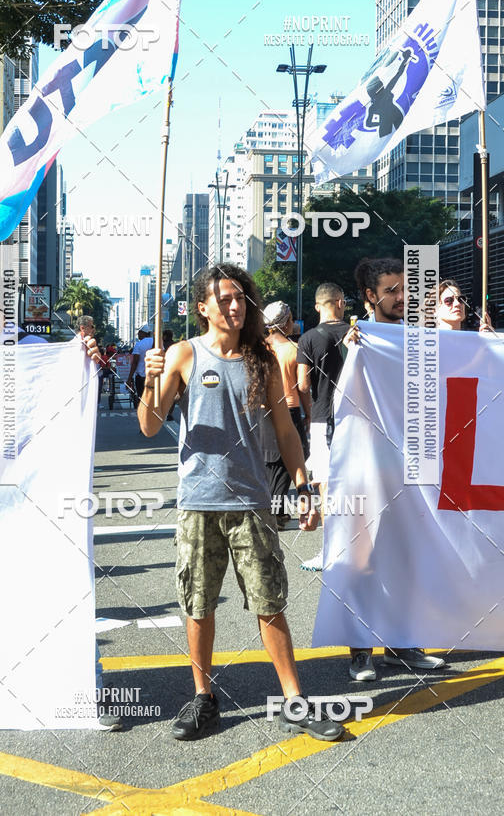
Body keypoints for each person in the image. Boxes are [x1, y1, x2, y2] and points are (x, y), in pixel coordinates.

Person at [137, 263, 344, 744]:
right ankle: (202, 698)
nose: (233, 306)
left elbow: (286, 430)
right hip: (198, 503)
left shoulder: (263, 360)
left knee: (269, 602)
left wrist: (302, 485)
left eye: (240, 298)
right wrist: (150, 381)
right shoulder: (184, 354)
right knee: (199, 602)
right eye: (223, 298)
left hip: (253, 501)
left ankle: (294, 701)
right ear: (202, 308)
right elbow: (151, 425)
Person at [0, 262, 119, 729]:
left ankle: (86, 688)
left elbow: (68, 402)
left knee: (56, 592)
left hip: (32, 499)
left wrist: (81, 358)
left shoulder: (34, 351)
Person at [346, 258, 445, 681]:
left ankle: (402, 644)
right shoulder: (351, 338)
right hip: (365, 462)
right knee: (363, 556)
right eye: (391, 290)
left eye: (405, 289)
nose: (402, 298)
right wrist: (351, 349)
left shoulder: (416, 339)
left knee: (406, 556)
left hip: (413, 464)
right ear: (371, 296)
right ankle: (360, 650)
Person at [296, 283, 349, 570]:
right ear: (340, 303)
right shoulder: (358, 334)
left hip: (322, 415)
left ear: (318, 306)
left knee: (326, 484)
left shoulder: (308, 339)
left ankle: (331, 550)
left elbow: (302, 383)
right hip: (358, 417)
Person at [262, 301, 309, 530]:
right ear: (286, 322)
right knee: (287, 461)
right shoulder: (294, 349)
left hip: (262, 411)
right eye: (291, 319)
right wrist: (309, 414)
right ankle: (276, 512)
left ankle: (272, 510)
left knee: (270, 460)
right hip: (289, 408)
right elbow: (303, 386)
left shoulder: (260, 349)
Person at [127, 324, 153, 409]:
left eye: (139, 333)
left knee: (142, 397)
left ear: (143, 333)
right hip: (154, 376)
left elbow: (135, 362)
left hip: (141, 376)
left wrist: (129, 378)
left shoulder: (139, 345)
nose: (138, 335)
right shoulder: (157, 342)